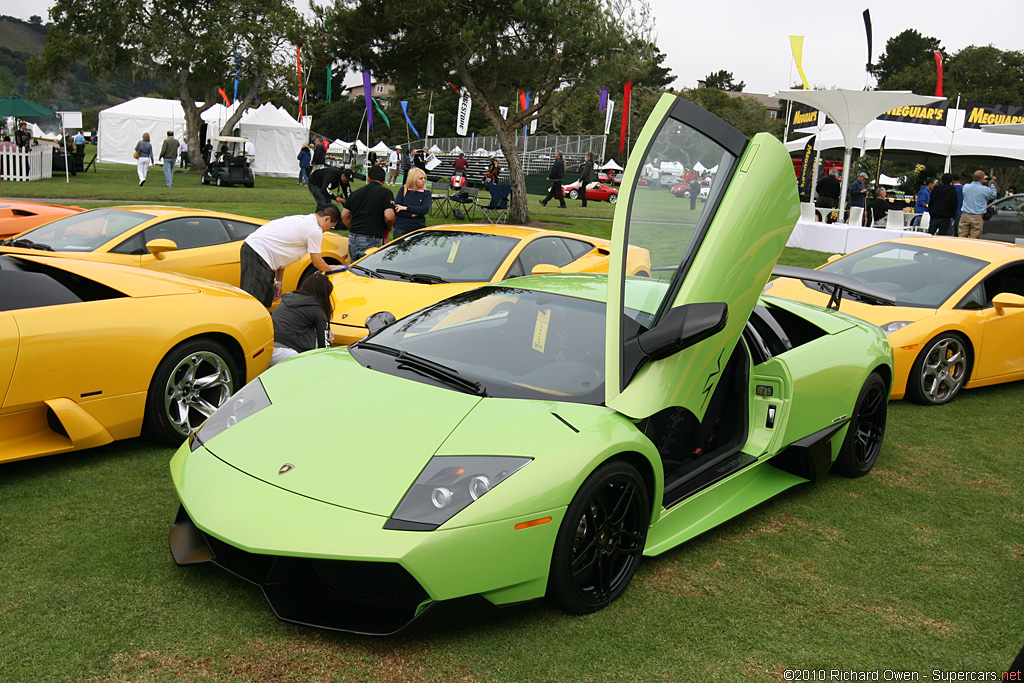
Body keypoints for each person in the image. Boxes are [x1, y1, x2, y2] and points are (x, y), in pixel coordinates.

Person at [240, 204, 342, 310]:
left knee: (266, 301)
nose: (327, 230)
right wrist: (332, 268)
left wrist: (278, 281)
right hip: (258, 252)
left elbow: (281, 252)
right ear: (327, 219)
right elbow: (317, 262)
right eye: (330, 227)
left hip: (264, 256)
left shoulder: (300, 220)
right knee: (255, 301)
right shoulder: (314, 230)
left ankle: (265, 325)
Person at [270, 272, 335, 365]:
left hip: (266, 349)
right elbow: (324, 348)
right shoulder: (317, 309)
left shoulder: (290, 298)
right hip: (286, 355)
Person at [342, 164, 396, 261]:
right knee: (368, 271)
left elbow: (344, 215)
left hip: (353, 237)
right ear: (384, 181)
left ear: (368, 178)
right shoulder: (386, 193)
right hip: (371, 238)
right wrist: (389, 226)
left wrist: (354, 227)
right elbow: (389, 216)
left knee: (355, 271)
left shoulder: (356, 193)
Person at [393, 167, 432, 240]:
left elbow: (424, 210)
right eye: (420, 179)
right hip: (402, 227)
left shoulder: (426, 193)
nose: (423, 181)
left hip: (418, 227)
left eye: (424, 178)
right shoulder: (403, 190)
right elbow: (397, 209)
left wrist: (406, 208)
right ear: (413, 179)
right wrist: (414, 213)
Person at [958, 170, 998, 239]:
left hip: (965, 215)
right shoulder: (985, 189)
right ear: (982, 179)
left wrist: (980, 178)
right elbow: (993, 195)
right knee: (975, 236)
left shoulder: (966, 187)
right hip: (977, 216)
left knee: (962, 235)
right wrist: (992, 184)